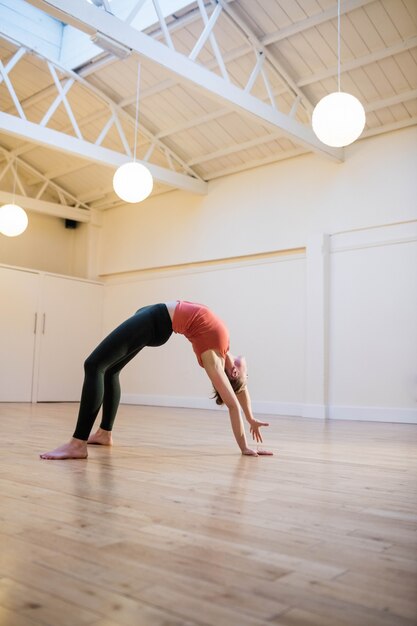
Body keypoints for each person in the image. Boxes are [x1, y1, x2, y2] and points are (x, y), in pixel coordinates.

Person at [40, 300, 272, 460]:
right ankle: (103, 434)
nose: (247, 377)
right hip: (153, 318)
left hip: (155, 320)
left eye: (246, 376)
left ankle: (78, 443)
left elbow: (232, 402)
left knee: (93, 365)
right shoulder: (224, 351)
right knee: (111, 371)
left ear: (234, 374)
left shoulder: (213, 359)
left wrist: (244, 447)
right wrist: (250, 418)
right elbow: (240, 392)